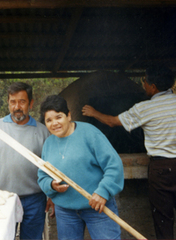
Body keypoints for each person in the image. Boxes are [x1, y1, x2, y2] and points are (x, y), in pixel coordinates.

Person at [82, 66, 176, 239]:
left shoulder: (145, 108)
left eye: (144, 81)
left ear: (153, 86)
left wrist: (93, 112)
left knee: (163, 218)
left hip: (161, 169)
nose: (143, 85)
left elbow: (113, 122)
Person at [0, 82, 52, 240]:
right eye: (13, 102)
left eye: (22, 101)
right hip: (1, 199)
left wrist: (52, 197)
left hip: (35, 200)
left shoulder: (42, 131)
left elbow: (51, 167)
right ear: (8, 103)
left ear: (31, 103)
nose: (17, 107)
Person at [38, 95, 124, 240]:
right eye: (49, 120)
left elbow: (114, 165)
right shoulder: (48, 144)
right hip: (66, 211)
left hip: (98, 208)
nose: (55, 123)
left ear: (69, 115)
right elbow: (42, 176)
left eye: (58, 117)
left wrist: (103, 192)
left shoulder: (90, 133)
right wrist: (51, 185)